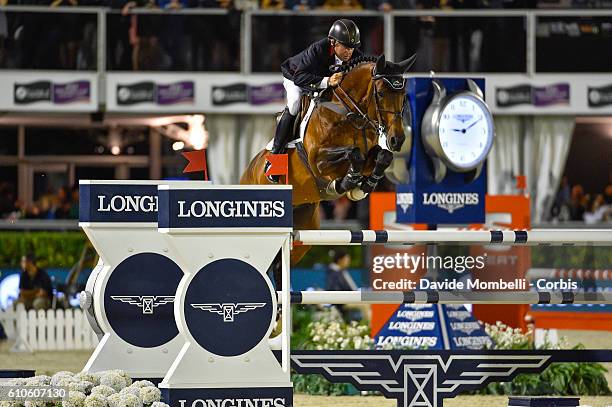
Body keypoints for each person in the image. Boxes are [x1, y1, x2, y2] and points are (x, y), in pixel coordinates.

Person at [265, 19, 363, 182]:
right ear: (333, 42)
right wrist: (327, 81)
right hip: (296, 76)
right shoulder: (318, 50)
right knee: (295, 104)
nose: (349, 52)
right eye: (345, 47)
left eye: (352, 48)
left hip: (320, 80)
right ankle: (275, 158)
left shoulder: (355, 56)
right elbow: (300, 78)